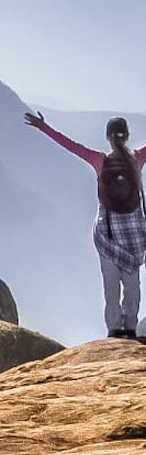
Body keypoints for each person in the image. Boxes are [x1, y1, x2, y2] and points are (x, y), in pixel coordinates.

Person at [25, 111, 146, 338]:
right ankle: (130, 327)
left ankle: (114, 330)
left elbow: (70, 144)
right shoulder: (137, 158)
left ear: (108, 136)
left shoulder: (100, 160)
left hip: (107, 233)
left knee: (111, 285)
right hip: (134, 234)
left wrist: (43, 127)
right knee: (132, 283)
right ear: (127, 135)